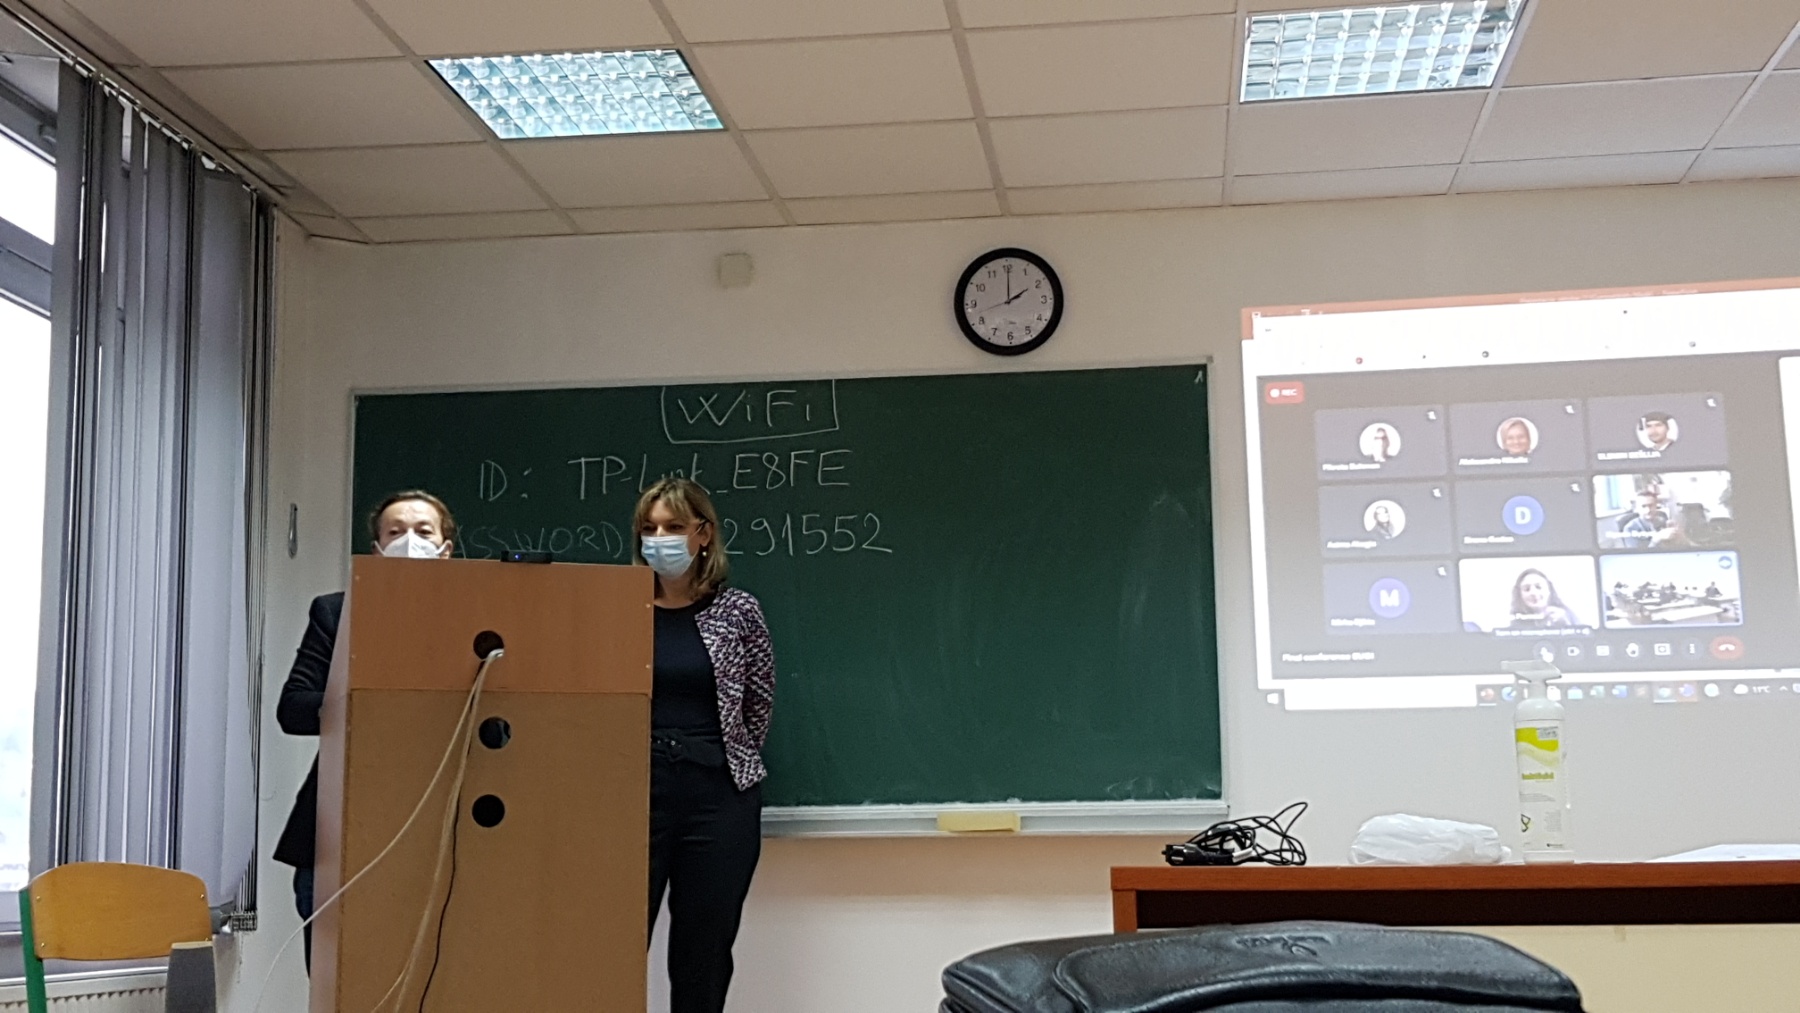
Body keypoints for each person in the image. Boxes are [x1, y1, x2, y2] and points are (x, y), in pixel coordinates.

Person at [273, 490, 457, 971]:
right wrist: (374, 701)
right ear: (376, 550)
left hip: (444, 827)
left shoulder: (475, 617)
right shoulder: (336, 613)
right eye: (395, 532)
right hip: (339, 827)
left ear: (446, 549)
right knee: (338, 978)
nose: (409, 541)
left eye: (423, 532)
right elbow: (293, 709)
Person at [636, 477, 775, 1013]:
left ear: (703, 533)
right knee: (613, 943)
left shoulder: (738, 611)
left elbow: (758, 703)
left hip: (718, 795)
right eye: (649, 528)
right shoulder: (618, 609)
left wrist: (725, 757)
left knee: (704, 952)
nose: (659, 539)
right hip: (635, 790)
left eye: (673, 526)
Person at [1508, 568, 1577, 629]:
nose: (1533, 593)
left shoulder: (1566, 615)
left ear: (1549, 590)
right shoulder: (1514, 620)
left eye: (1538, 587)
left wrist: (1566, 625)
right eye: (1527, 589)